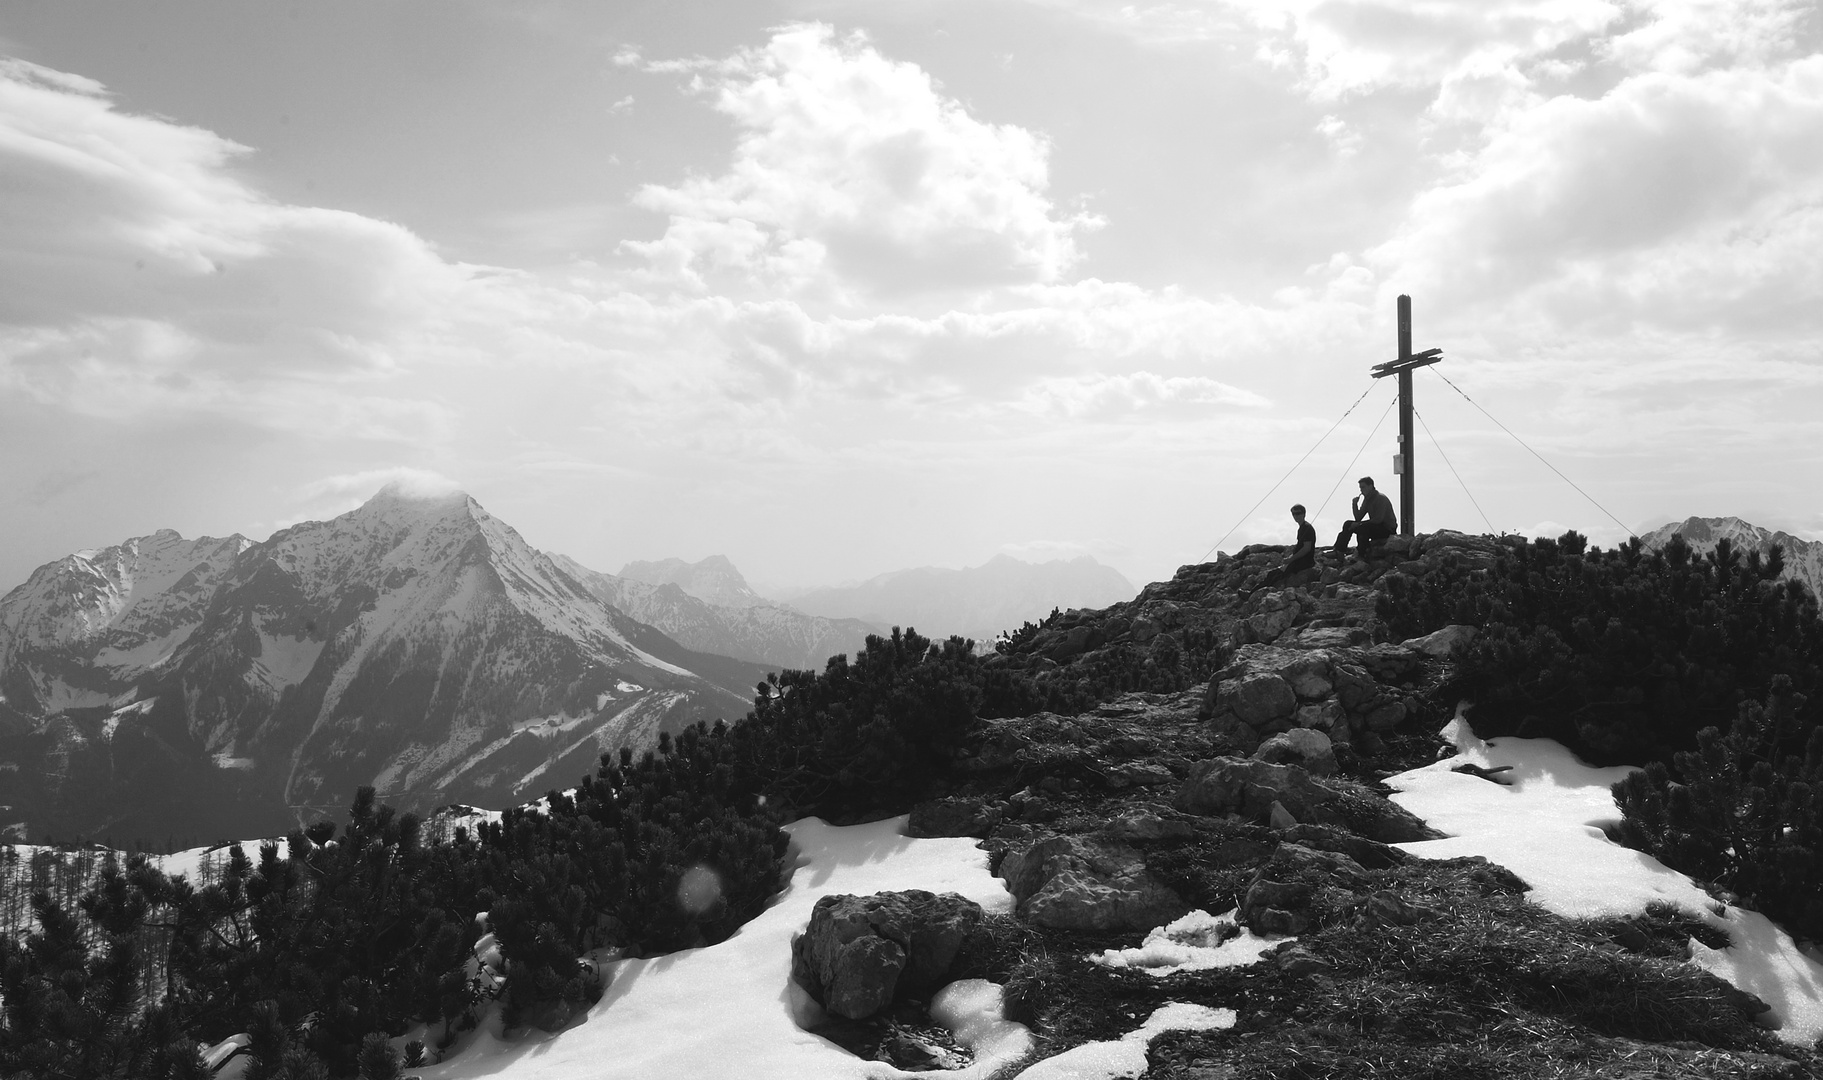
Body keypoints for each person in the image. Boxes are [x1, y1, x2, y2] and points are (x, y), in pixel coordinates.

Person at [1334, 476, 1396, 557]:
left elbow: (1378, 519)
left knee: (1362, 528)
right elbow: (1358, 518)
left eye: (1363, 487)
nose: (1361, 490)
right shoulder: (1367, 499)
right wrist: (1354, 504)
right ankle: (1339, 550)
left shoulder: (1380, 498)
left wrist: (1359, 524)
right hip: (1375, 526)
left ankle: (1362, 553)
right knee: (1348, 524)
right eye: (1360, 488)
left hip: (1387, 529)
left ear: (1370, 486)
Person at [1263, 504, 1316, 586]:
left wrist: (1292, 559)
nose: (1295, 516)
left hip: (1304, 562)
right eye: (1293, 514)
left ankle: (1255, 592)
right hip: (1299, 561)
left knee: (1275, 575)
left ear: (1304, 514)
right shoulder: (1302, 528)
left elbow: (1306, 548)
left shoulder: (1307, 528)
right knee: (1273, 574)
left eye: (1298, 513)